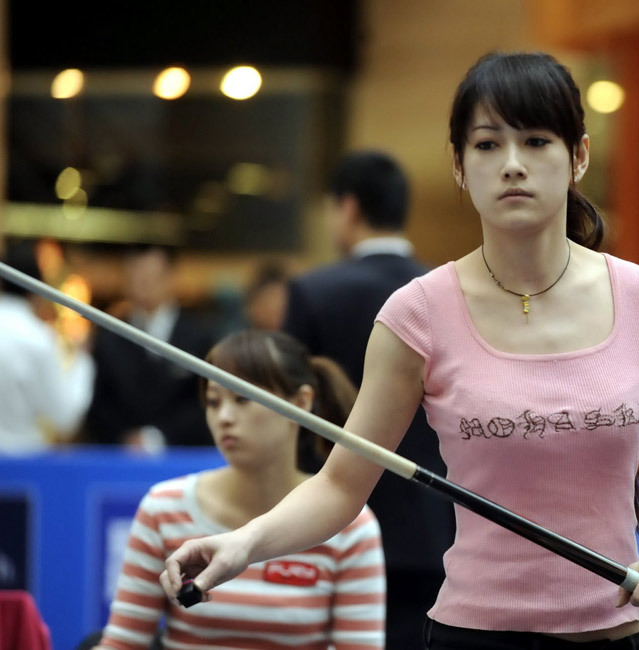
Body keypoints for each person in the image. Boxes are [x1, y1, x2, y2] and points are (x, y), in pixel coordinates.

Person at [160, 52, 639, 649]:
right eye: (487, 145)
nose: (512, 165)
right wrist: (243, 543)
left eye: (537, 141)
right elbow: (341, 485)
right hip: (470, 637)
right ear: (459, 165)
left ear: (579, 156)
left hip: (613, 637)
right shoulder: (417, 314)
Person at [92, 330, 385, 650]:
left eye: (242, 398)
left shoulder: (350, 524)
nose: (224, 417)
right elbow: (121, 644)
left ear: (301, 402)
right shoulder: (163, 508)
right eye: (213, 402)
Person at [284, 150, 454, 648]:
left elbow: (292, 417)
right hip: (436, 531)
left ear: (348, 207)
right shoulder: (452, 295)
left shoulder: (313, 292)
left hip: (331, 527)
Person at [84, 244, 213, 449]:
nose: (141, 284)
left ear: (170, 277)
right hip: (120, 454)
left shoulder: (198, 337)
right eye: (134, 276)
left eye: (149, 277)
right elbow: (99, 403)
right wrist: (126, 438)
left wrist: (159, 436)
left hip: (183, 454)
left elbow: (204, 401)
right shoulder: (109, 338)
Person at [0, 241, 94, 454]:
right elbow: (65, 418)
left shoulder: (39, 337)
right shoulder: (38, 339)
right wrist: (82, 361)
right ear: (38, 287)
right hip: (22, 462)